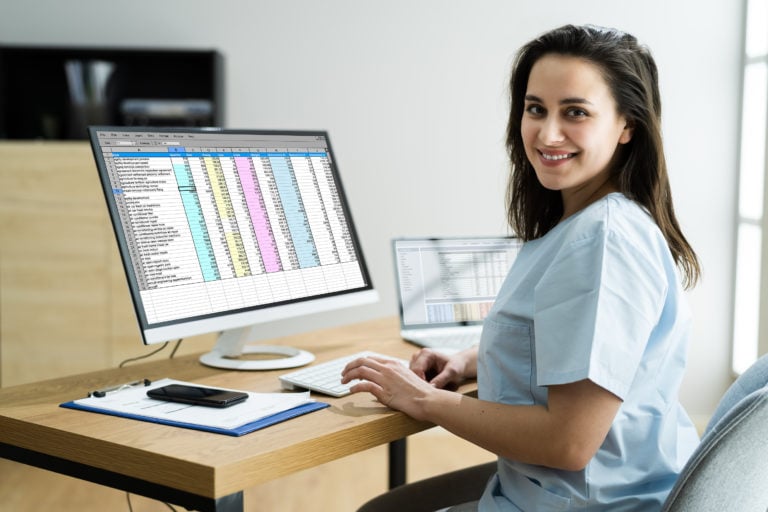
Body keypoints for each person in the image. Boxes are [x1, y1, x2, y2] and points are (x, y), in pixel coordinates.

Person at [341, 24, 702, 511]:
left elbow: (568, 443)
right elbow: (573, 348)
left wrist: (423, 400)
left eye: (575, 112)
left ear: (627, 125)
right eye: (536, 109)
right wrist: (473, 360)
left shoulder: (602, 241)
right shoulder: (600, 222)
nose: (547, 133)